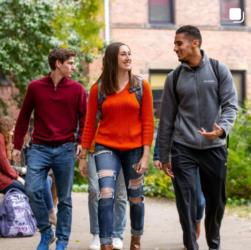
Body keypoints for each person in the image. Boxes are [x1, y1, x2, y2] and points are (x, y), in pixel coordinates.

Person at [158, 25, 238, 250]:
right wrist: (164, 155)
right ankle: (191, 246)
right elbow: (166, 119)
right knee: (185, 201)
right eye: (175, 44)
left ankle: (213, 244)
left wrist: (221, 129)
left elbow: (231, 105)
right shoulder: (173, 78)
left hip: (214, 146)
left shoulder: (218, 69)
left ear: (195, 43)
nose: (175, 48)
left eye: (178, 43)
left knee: (217, 201)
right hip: (183, 147)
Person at [79, 42, 154, 250]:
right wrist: (83, 155)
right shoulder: (99, 89)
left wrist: (146, 155)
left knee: (136, 197)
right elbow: (89, 125)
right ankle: (106, 244)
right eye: (123, 54)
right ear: (113, 58)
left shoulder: (141, 86)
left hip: (135, 149)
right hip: (106, 147)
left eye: (130, 54)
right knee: (105, 193)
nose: (128, 57)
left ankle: (136, 240)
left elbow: (148, 122)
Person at [12, 48, 87, 250]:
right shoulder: (35, 87)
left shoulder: (77, 89)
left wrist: (81, 141)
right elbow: (24, 117)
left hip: (65, 148)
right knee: (32, 188)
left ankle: (62, 240)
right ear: (58, 64)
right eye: (70, 63)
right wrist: (17, 146)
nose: (74, 66)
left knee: (65, 199)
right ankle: (46, 233)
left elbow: (85, 117)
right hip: (39, 148)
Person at [153, 130, 205, 239]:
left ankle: (196, 222)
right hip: (177, 155)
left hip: (202, 153)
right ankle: (188, 232)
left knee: (199, 201)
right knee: (183, 199)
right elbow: (164, 125)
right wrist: (158, 155)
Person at [86, 154, 127, 250]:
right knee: (94, 191)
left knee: (120, 194)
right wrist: (82, 155)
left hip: (125, 149)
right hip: (95, 149)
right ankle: (97, 233)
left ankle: (117, 234)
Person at [0, 116, 25, 194]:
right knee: (27, 190)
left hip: (5, 177)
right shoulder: (0, 138)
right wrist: (17, 177)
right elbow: (4, 164)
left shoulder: (4, 139)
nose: (13, 132)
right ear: (6, 128)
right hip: (2, 180)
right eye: (12, 129)